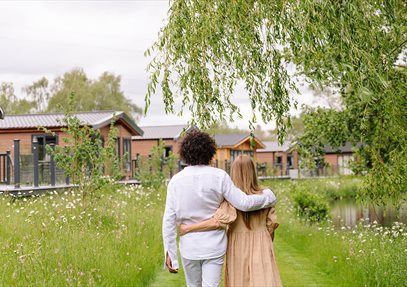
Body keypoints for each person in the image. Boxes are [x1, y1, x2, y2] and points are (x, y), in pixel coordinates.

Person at [162, 131, 277, 287]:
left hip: (189, 246)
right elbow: (244, 203)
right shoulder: (219, 176)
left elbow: (169, 220)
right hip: (214, 245)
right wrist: (269, 197)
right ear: (210, 152)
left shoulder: (175, 181)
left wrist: (170, 253)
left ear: (185, 154)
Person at [179, 155, 282, 287]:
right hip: (261, 242)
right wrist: (265, 242)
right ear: (253, 171)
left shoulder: (230, 199)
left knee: (239, 280)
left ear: (234, 172)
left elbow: (216, 222)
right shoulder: (265, 196)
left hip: (237, 245)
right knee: (263, 279)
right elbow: (271, 226)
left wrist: (188, 228)